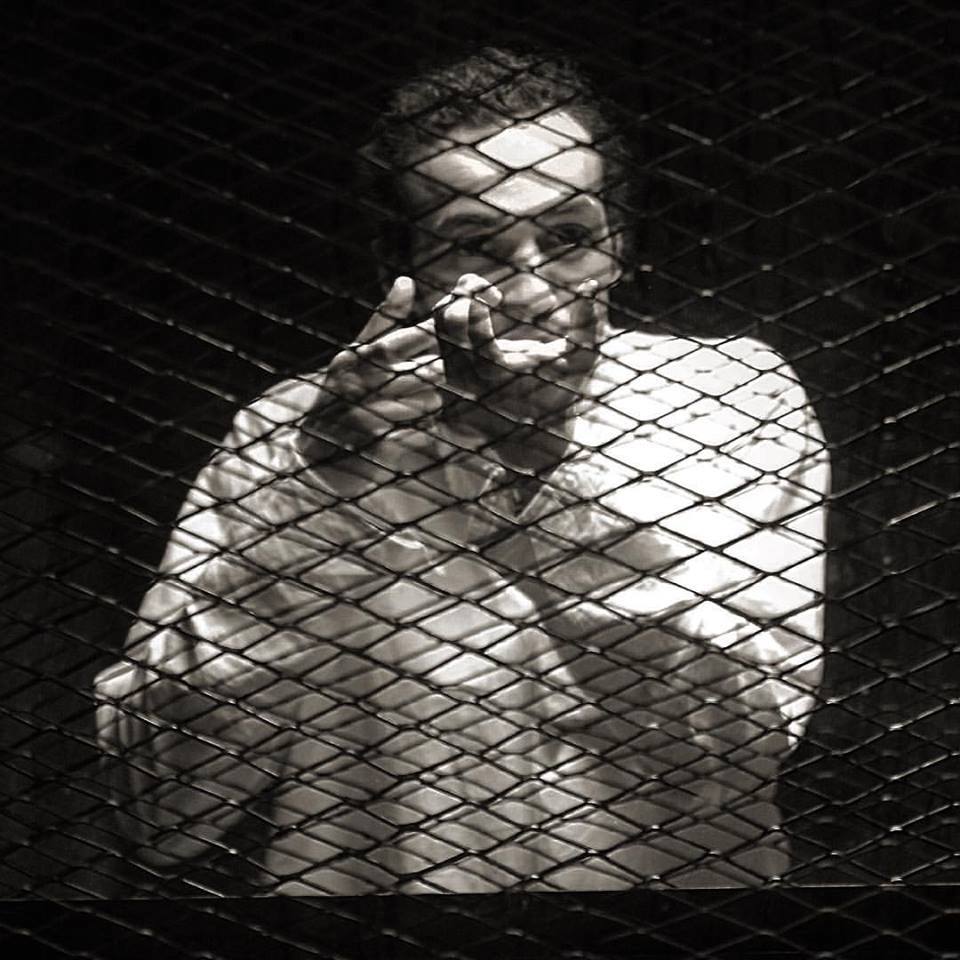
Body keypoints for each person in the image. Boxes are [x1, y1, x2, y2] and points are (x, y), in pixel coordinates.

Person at [94, 47, 829, 894]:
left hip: (681, 932)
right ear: (402, 267)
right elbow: (160, 809)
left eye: (568, 238)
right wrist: (318, 497)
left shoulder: (735, 398)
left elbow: (747, 739)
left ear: (619, 246)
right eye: (476, 243)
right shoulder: (291, 432)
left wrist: (546, 467)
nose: (531, 289)